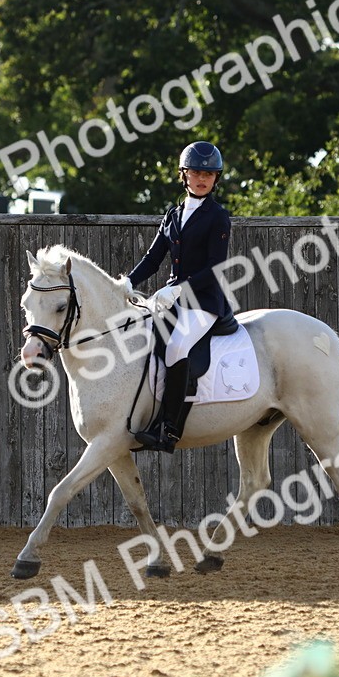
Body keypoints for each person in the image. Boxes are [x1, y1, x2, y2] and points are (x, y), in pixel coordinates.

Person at [126, 141, 234, 452]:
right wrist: (128, 282)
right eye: (196, 172)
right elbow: (152, 258)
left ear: (216, 179)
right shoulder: (173, 215)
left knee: (175, 348)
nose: (202, 179)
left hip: (204, 303)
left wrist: (177, 288)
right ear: (183, 174)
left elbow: (215, 268)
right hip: (174, 300)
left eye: (209, 174)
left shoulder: (218, 217)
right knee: (144, 340)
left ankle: (169, 429)